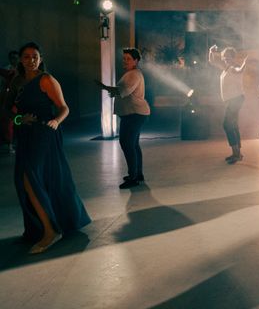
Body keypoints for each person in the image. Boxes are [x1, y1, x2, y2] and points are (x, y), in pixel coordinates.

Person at [5, 42, 90, 254]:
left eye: (35, 56)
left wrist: (56, 122)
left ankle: (50, 231)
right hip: (25, 135)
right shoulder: (16, 81)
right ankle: (38, 227)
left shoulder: (46, 79)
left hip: (45, 132)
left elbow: (63, 107)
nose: (31, 60)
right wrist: (18, 119)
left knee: (30, 177)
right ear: (21, 59)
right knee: (25, 180)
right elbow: (7, 110)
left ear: (40, 59)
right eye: (26, 56)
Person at [97, 48, 151, 188]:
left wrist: (105, 87)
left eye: (128, 59)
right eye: (124, 58)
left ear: (136, 61)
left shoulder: (133, 74)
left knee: (127, 144)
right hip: (135, 114)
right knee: (133, 145)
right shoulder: (132, 73)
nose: (125, 61)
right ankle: (137, 174)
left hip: (134, 114)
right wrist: (111, 90)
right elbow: (122, 92)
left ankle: (133, 177)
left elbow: (123, 91)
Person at [209, 45, 247, 164]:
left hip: (236, 99)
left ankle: (236, 153)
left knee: (227, 124)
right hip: (232, 100)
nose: (226, 58)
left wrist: (245, 63)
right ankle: (238, 153)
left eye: (228, 57)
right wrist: (211, 51)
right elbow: (211, 61)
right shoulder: (225, 68)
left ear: (233, 57)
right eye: (224, 56)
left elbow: (239, 70)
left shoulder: (233, 68)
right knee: (233, 124)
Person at [0, 50, 19, 152]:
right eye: (12, 58)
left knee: (20, 121)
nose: (14, 60)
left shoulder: (23, 70)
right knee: (8, 122)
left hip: (20, 99)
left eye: (16, 58)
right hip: (9, 98)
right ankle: (9, 144)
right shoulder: (7, 70)